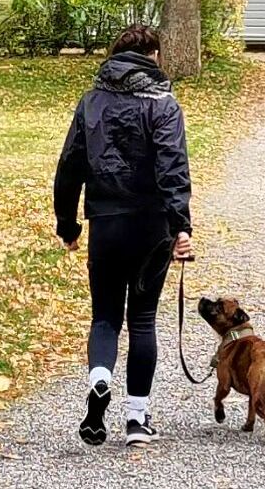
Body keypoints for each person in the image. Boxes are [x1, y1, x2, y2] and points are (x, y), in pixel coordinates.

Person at [54, 24, 195, 447]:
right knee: (144, 319)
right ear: (153, 56)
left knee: (105, 317)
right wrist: (181, 226)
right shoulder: (164, 104)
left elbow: (70, 166)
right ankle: (137, 419)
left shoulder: (91, 101)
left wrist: (68, 225)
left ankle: (100, 379)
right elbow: (173, 168)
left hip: (107, 224)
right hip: (151, 226)